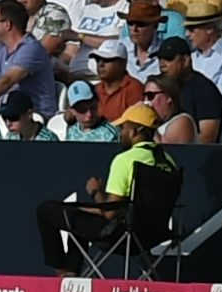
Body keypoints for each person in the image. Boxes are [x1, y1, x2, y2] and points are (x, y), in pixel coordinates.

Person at [33, 104, 179, 274]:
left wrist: (95, 192)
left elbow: (109, 214)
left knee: (46, 210)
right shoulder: (169, 161)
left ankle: (62, 275)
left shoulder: (125, 160)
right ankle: (71, 274)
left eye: (123, 128)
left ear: (134, 132)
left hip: (123, 236)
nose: (121, 133)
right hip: (154, 235)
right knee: (81, 219)